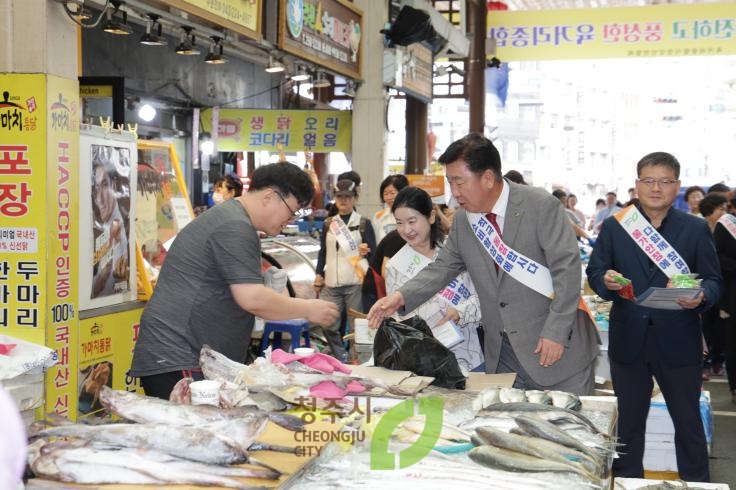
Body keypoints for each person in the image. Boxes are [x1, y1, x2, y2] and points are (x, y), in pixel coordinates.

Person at [368, 133, 599, 394]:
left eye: (459, 182)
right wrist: (398, 297)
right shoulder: (466, 221)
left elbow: (567, 273)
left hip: (557, 350)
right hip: (503, 357)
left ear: (487, 178)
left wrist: (556, 332)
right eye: (450, 183)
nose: (454, 193)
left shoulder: (540, 206)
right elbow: (441, 267)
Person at [130, 162, 340, 399]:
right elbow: (252, 298)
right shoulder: (235, 226)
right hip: (180, 357)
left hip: (187, 356)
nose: (290, 220)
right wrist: (309, 309)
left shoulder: (234, 219)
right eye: (292, 211)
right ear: (270, 196)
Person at [586, 151, 722, 482]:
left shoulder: (694, 228)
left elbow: (715, 279)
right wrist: (603, 281)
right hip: (629, 341)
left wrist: (702, 295)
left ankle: (696, 484)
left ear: (677, 186)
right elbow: (596, 270)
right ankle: (627, 482)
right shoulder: (618, 226)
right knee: (628, 427)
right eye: (648, 180)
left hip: (679, 341)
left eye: (664, 181)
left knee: (688, 425)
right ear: (637, 185)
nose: (656, 188)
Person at [386, 186, 484, 372]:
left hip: (468, 356)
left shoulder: (457, 251)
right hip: (424, 362)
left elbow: (484, 298)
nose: (406, 229)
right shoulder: (395, 266)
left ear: (431, 216)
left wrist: (460, 313)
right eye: (399, 223)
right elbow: (396, 318)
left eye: (412, 221)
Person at [314, 179, 376, 361]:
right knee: (327, 323)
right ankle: (339, 356)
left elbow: (373, 254)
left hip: (355, 283)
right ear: (335, 198)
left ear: (355, 198)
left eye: (348, 197)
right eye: (339, 197)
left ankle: (355, 360)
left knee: (357, 326)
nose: (343, 200)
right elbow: (323, 252)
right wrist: (318, 274)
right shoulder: (329, 224)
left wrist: (368, 251)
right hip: (331, 282)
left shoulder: (364, 223)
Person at [91, 158, 129, 298]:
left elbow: (99, 289)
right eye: (97, 188)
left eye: (105, 185)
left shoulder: (117, 227)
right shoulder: (106, 226)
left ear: (115, 186)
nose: (99, 198)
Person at [372, 174, 409, 242]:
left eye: (392, 193)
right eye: (385, 194)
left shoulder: (411, 215)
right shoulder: (378, 216)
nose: (389, 197)